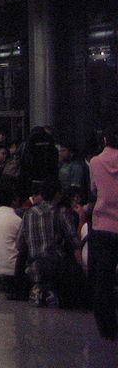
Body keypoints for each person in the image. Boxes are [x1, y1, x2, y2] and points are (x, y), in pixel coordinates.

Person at [88, 126, 118, 338]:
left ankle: (107, 328)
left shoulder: (96, 162)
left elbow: (94, 190)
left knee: (103, 280)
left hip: (103, 227)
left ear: (106, 138)